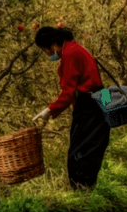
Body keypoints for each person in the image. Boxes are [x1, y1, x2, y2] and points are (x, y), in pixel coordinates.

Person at [32, 27, 110, 190]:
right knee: (91, 148)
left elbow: (68, 93)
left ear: (53, 45)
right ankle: (87, 191)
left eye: (45, 50)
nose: (47, 54)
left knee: (79, 153)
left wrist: (49, 111)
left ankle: (81, 193)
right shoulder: (75, 48)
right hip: (98, 101)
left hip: (89, 105)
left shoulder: (69, 55)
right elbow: (97, 82)